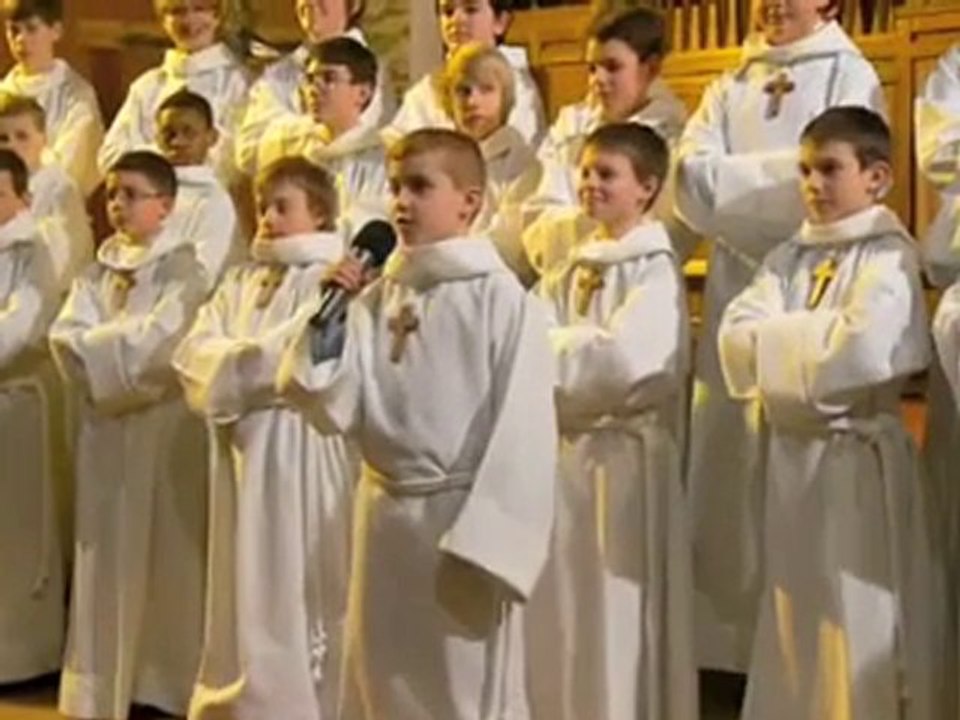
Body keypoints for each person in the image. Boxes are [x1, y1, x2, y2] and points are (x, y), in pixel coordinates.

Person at [278, 128, 557, 719]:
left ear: (470, 201)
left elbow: (523, 429)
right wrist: (329, 322)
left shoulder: (501, 300)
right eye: (396, 188)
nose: (401, 203)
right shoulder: (381, 295)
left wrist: (492, 540)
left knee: (459, 687)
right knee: (381, 677)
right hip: (383, 516)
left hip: (457, 524)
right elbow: (331, 401)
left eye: (420, 187)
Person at [674, 0, 886, 671]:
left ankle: (799, 656)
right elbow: (689, 177)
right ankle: (726, 650)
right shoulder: (730, 79)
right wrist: (770, 182)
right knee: (727, 455)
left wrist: (740, 191)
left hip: (816, 279)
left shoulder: (849, 76)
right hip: (741, 285)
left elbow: (830, 183)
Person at [720, 106, 940, 718]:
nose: (813, 185)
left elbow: (864, 350)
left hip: (857, 465)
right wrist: (814, 338)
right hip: (791, 464)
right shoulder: (789, 256)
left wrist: (782, 338)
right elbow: (734, 334)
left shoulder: (889, 258)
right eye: (804, 171)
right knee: (797, 613)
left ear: (876, 179)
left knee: (856, 614)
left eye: (829, 170)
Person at [174, 156, 357, 720]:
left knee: (300, 570)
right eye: (263, 206)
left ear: (320, 214)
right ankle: (251, 693)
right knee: (248, 577)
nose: (269, 219)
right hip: (242, 448)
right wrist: (244, 368)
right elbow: (191, 353)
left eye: (284, 207)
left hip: (301, 442)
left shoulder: (332, 281)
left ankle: (310, 699)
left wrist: (238, 365)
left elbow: (300, 358)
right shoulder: (242, 278)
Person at [529, 123, 696, 720]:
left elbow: (629, 361)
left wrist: (555, 352)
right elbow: (522, 343)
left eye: (607, 174)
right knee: (563, 605)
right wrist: (574, 349)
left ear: (647, 188)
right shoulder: (571, 264)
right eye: (586, 172)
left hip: (622, 463)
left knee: (614, 608)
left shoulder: (652, 267)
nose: (590, 184)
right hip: (562, 454)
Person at [50, 150, 208, 720]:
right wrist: (110, 347)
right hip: (105, 433)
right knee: (104, 554)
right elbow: (65, 334)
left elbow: (162, 343)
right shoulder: (98, 269)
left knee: (163, 555)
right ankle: (98, 688)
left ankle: (158, 684)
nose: (117, 205)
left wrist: (103, 347)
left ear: (165, 206)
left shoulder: (185, 271)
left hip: (161, 432)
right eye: (112, 194)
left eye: (131, 195)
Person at [0, 147, 63, 684]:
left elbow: (21, 324)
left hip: (13, 407)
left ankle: (20, 656)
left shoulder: (31, 249)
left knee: (14, 532)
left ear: (22, 196)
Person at [97, 0, 251, 187]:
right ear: (163, 20)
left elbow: (236, 158)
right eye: (177, 11)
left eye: (199, 9)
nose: (189, 20)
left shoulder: (241, 82)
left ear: (217, 15)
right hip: (151, 203)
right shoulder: (147, 86)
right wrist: (166, 160)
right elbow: (111, 156)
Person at [235, 0, 391, 177]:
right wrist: (315, 128)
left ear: (353, 4)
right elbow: (248, 151)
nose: (310, 4)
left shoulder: (375, 73)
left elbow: (354, 136)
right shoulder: (280, 74)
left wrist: (288, 132)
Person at [256, 37, 388, 236]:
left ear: (363, 93)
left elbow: (370, 223)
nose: (314, 89)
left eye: (328, 78)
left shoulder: (378, 159)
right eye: (310, 79)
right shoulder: (290, 149)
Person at [381, 0, 546, 147]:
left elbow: (521, 147)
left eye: (471, 10)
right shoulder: (426, 90)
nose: (456, 20)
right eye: (448, 12)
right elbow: (397, 142)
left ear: (500, 22)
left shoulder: (517, 84)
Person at [440, 41, 538, 281]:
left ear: (506, 98)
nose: (472, 102)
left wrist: (449, 260)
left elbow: (509, 244)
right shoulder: (440, 158)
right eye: (463, 91)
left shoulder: (523, 163)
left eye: (486, 90)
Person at [0, 0, 105, 196]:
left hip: (52, 204)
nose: (21, 39)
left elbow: (71, 162)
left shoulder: (77, 95)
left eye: (32, 29)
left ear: (55, 31)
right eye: (13, 30)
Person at [0, 91, 92, 293]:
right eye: (3, 138)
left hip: (40, 291)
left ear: (43, 139)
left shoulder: (60, 188)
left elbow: (65, 260)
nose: (11, 146)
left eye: (22, 136)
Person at [156, 88, 240, 287]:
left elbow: (204, 272)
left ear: (212, 137)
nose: (177, 141)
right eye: (168, 134)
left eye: (188, 132)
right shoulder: (144, 191)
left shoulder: (214, 201)